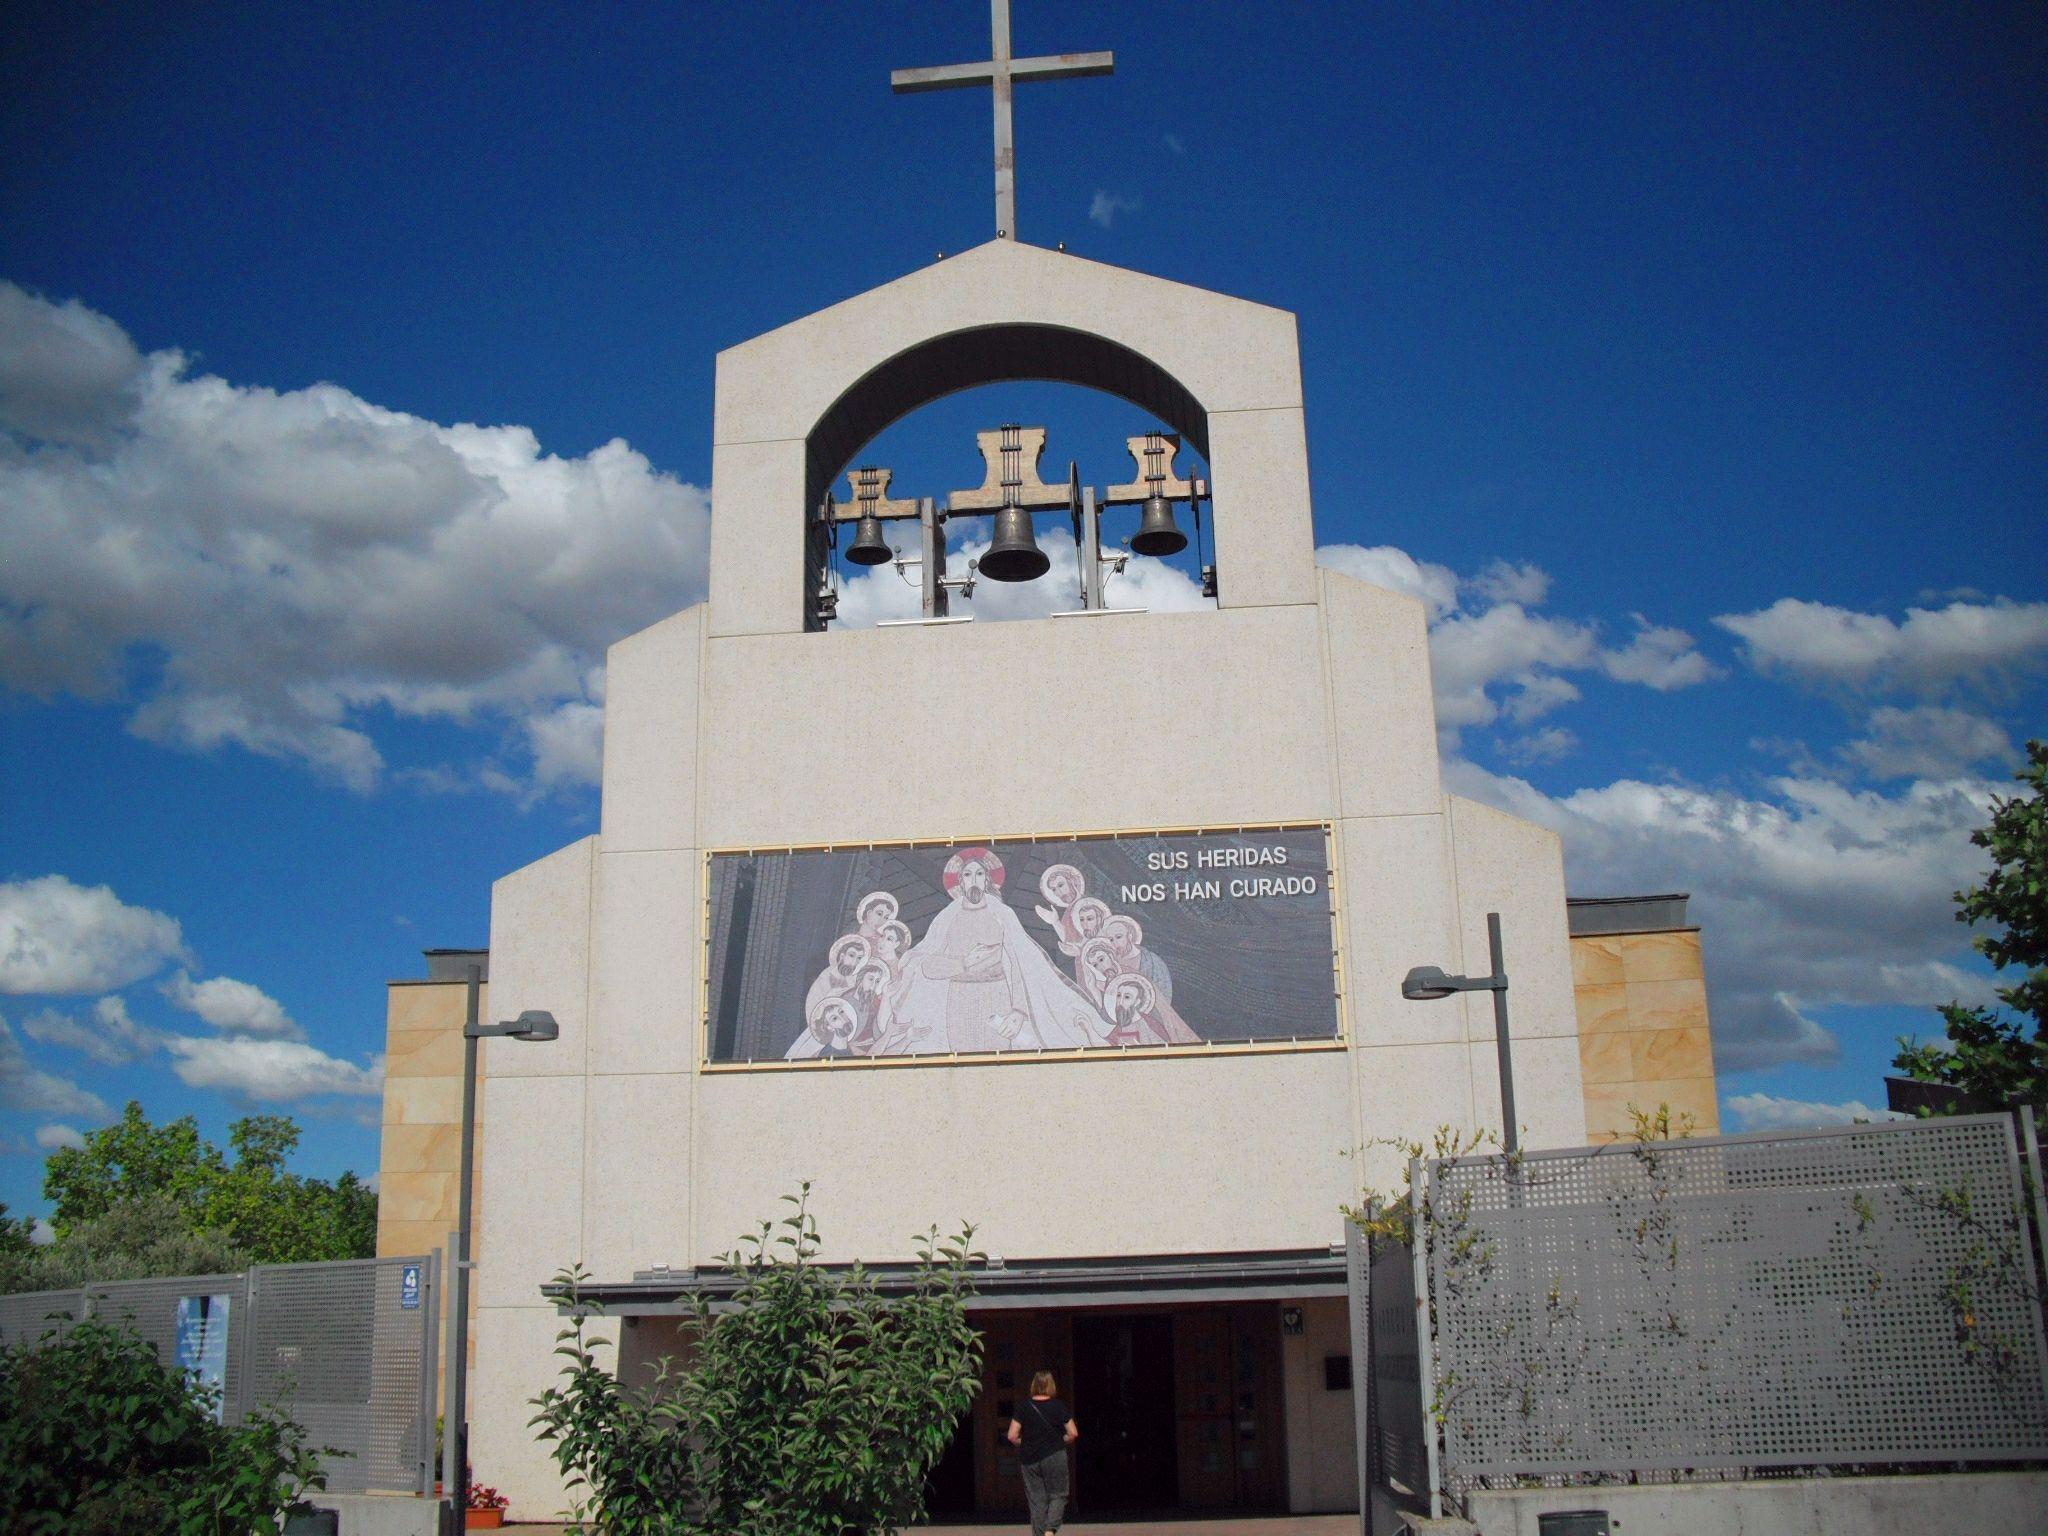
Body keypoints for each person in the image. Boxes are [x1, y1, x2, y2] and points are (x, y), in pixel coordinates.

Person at [1006, 1370, 1077, 1536]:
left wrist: (1025, 1444)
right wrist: (1061, 1440)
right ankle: (1050, 1530)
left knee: (1037, 1500)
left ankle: (1039, 1534)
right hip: (1055, 1455)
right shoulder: (1058, 1406)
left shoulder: (1024, 1407)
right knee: (1059, 1494)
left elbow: (1011, 1435)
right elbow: (1073, 1433)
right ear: (1051, 1385)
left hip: (1030, 1459)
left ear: (1033, 1385)